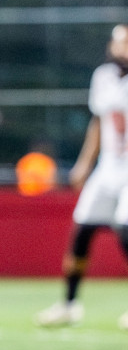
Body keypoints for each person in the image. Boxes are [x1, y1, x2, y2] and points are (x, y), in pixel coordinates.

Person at [36, 24, 128, 330]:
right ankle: (69, 304)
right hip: (108, 166)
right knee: (83, 230)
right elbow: (99, 124)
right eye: (119, 42)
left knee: (126, 230)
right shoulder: (103, 77)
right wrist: (84, 164)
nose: (122, 48)